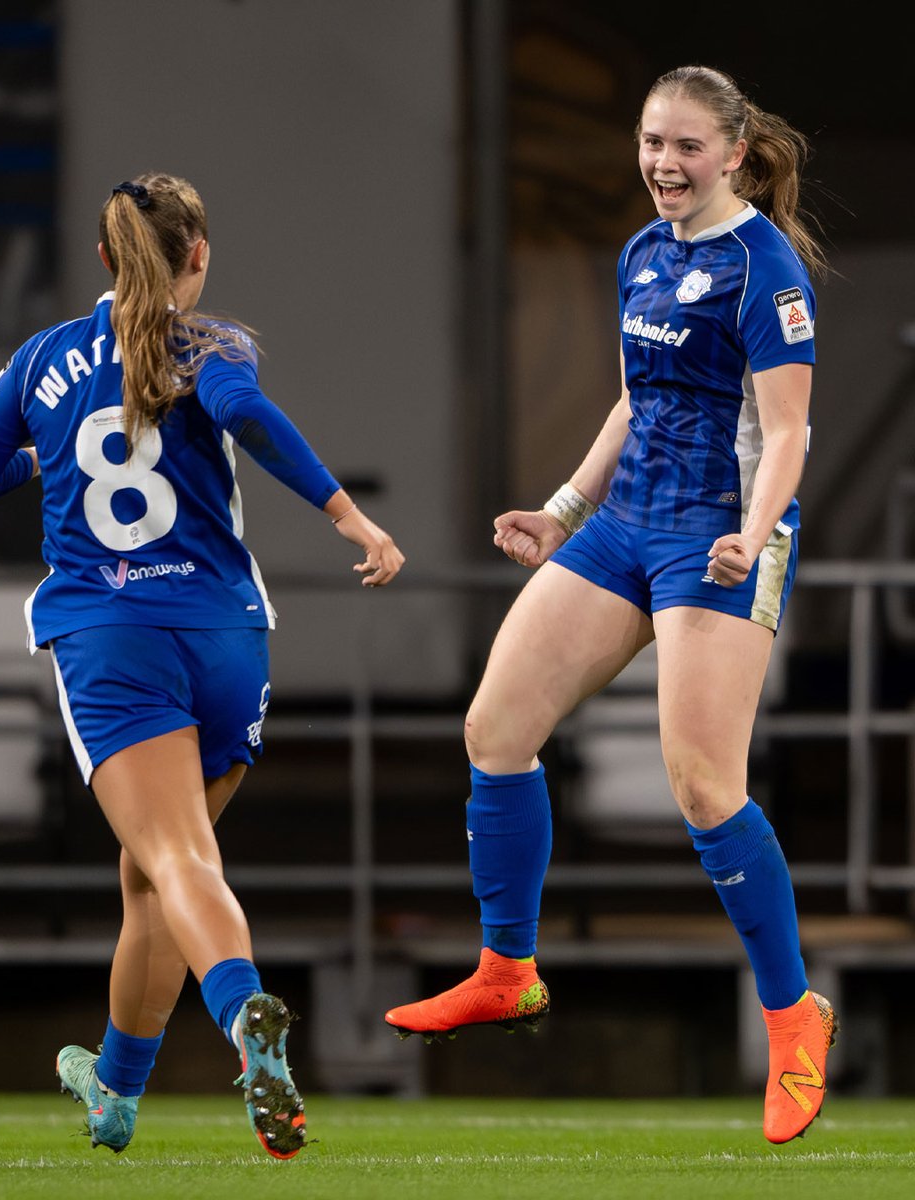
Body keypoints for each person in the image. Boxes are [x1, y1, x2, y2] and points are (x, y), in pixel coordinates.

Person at [384, 65, 835, 1145]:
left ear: (732, 154)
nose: (663, 165)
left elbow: (788, 433)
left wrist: (753, 528)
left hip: (716, 540)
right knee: (495, 731)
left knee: (702, 788)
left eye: (685, 147)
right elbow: (639, 395)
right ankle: (507, 970)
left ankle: (792, 1019)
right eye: (650, 143)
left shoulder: (764, 270)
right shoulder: (641, 254)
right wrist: (563, 510)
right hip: (627, 526)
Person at [0, 172, 404, 1158]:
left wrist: (41, 450)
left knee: (176, 861)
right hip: (226, 636)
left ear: (106, 259)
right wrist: (349, 517)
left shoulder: (42, 360)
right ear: (197, 255)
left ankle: (247, 1024)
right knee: (152, 877)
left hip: (115, 636)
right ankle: (115, 1094)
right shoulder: (212, 346)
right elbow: (248, 417)